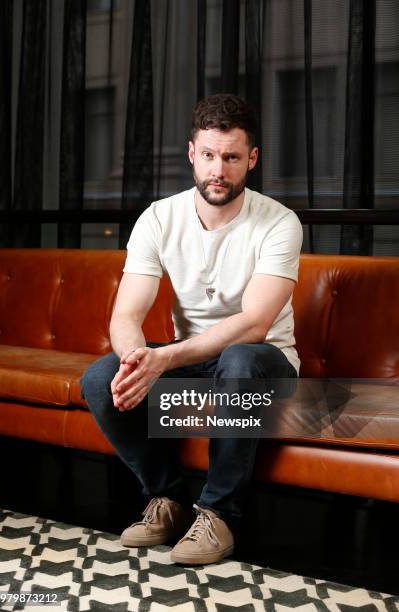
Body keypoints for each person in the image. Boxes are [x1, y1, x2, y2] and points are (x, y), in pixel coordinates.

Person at [81, 93, 302, 566]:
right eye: (208, 156)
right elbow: (126, 316)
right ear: (191, 154)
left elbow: (256, 323)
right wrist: (136, 359)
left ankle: (220, 513)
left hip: (264, 362)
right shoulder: (159, 218)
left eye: (231, 157)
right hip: (196, 359)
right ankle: (168, 500)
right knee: (101, 378)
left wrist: (168, 358)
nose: (217, 170)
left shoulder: (279, 222)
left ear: (252, 159)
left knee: (240, 357)